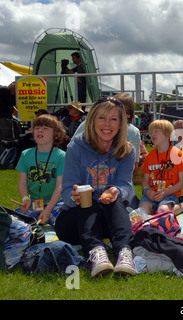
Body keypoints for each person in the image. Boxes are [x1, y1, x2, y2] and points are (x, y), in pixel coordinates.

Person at [55, 97, 136, 277]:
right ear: (92, 120)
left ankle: (124, 252)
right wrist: (74, 196)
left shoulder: (127, 151)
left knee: (114, 201)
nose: (107, 124)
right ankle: (96, 252)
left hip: (108, 220)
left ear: (121, 123)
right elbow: (67, 189)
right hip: (75, 223)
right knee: (87, 200)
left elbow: (125, 185)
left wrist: (117, 191)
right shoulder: (76, 147)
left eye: (114, 119)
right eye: (101, 118)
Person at [72, 93, 141, 208]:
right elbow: (73, 153)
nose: (108, 123)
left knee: (130, 211)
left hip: (118, 184)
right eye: (104, 114)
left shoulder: (133, 133)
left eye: (116, 116)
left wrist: (115, 186)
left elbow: (133, 167)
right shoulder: (87, 126)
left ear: (127, 116)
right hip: (89, 184)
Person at [15, 114, 66, 226]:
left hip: (55, 203)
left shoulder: (61, 156)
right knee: (15, 222)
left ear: (57, 135)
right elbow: (22, 182)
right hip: (33, 203)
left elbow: (60, 186)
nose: (40, 131)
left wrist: (47, 210)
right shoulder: (26, 154)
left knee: (63, 223)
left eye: (45, 128)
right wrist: (25, 199)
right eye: (37, 128)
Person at [139, 119, 183, 215]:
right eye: (151, 132)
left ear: (167, 134)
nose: (152, 134)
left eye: (156, 131)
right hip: (152, 195)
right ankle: (154, 210)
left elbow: (182, 182)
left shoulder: (177, 154)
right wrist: (148, 192)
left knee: (163, 211)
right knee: (142, 211)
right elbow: (145, 181)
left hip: (170, 194)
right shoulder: (150, 156)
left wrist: (165, 193)